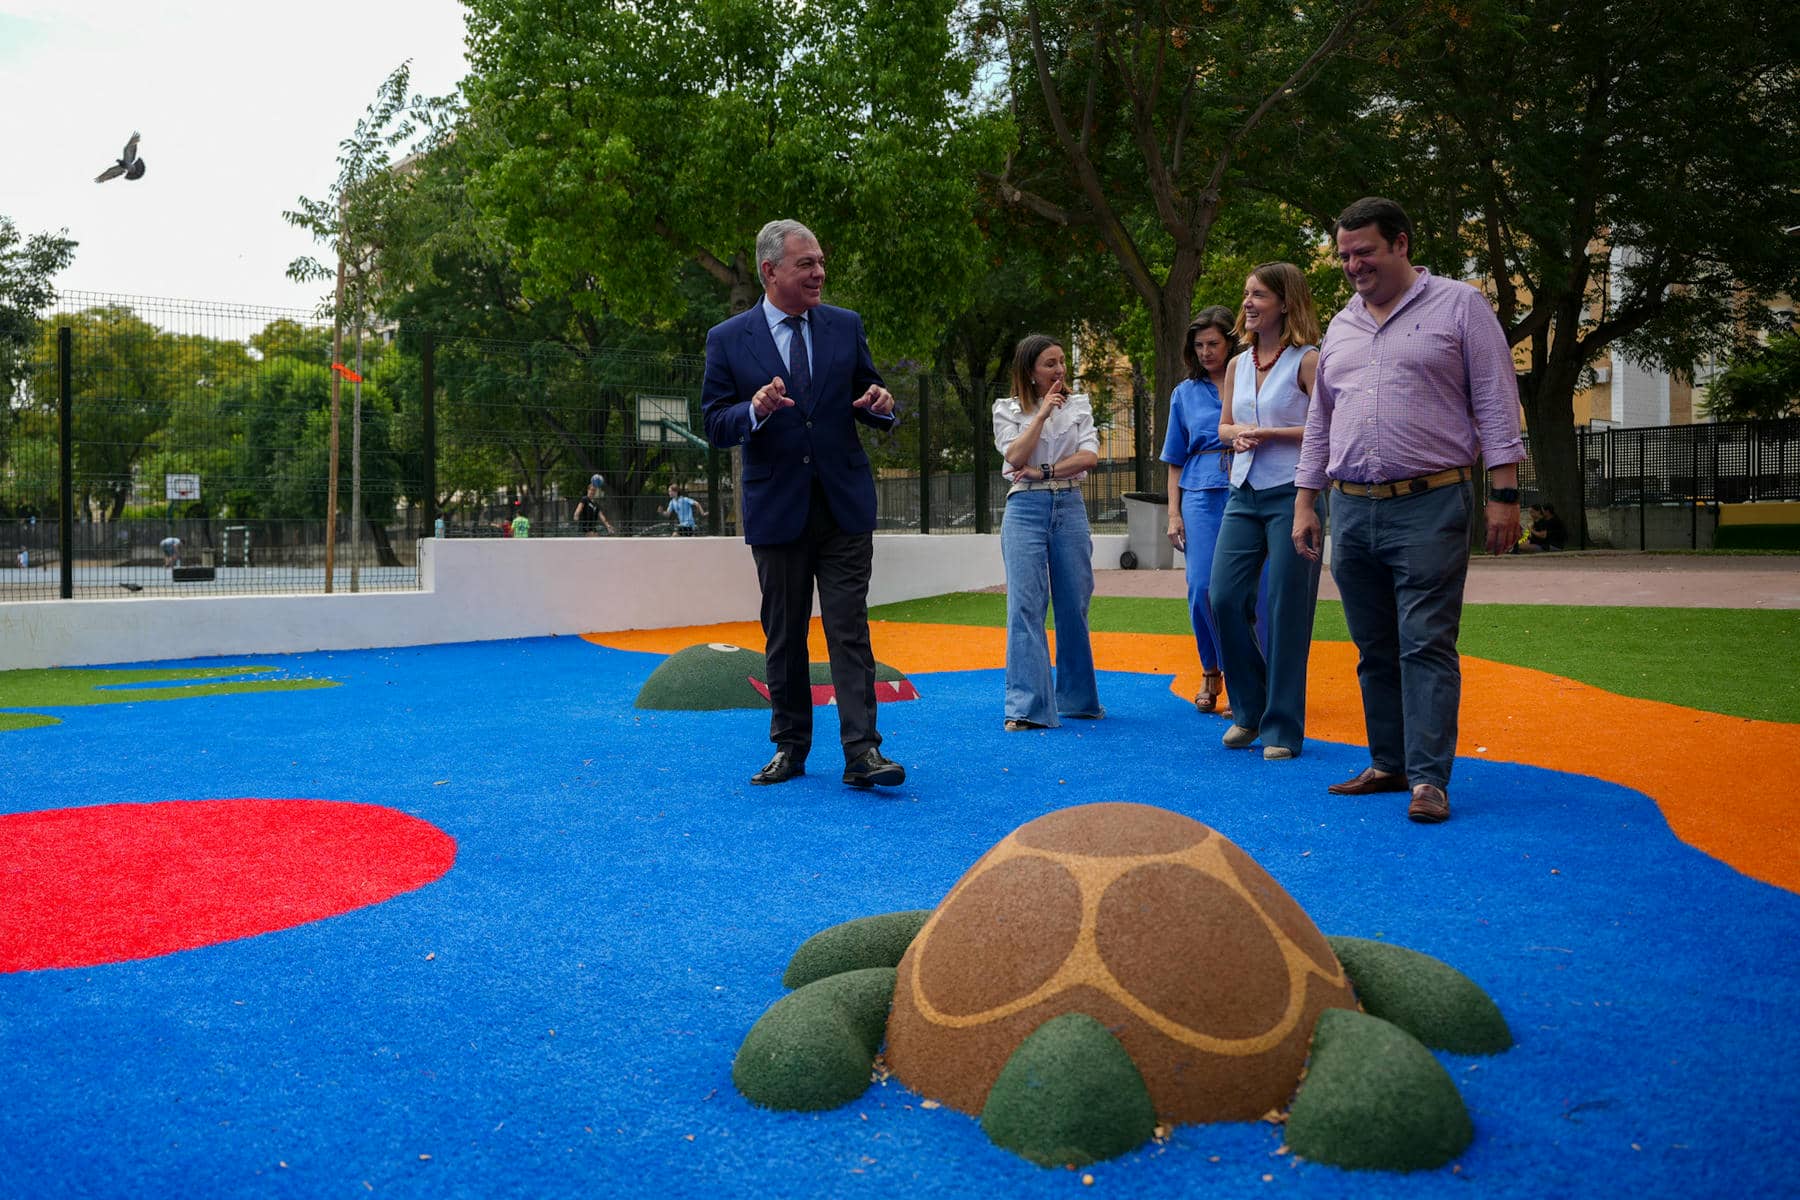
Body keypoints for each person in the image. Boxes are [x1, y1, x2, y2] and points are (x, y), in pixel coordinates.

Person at [1293, 196, 1525, 824]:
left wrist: (1504, 495)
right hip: (1352, 505)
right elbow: (1322, 421)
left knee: (1424, 640)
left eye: (1363, 251)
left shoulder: (1460, 306)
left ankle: (1428, 779)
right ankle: (1389, 762)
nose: (1352, 265)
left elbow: (1497, 402)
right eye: (1344, 255)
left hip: (1431, 502)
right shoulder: (1341, 325)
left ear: (1401, 243)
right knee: (1373, 646)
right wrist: (1305, 500)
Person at [701, 218, 905, 789]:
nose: (819, 273)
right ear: (770, 272)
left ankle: (863, 753)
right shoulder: (727, 339)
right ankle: (789, 748)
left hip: (843, 504)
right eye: (806, 264)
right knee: (785, 634)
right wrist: (755, 410)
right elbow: (716, 422)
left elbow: (869, 395)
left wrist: (880, 403)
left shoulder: (845, 325)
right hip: (777, 509)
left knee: (849, 630)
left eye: (820, 262)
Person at [1212, 263, 1324, 761]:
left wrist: (1273, 435)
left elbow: (1328, 429)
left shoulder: (1307, 361)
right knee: (1222, 598)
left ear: (1285, 302)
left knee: (1284, 609)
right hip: (1243, 492)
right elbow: (1224, 429)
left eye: (1258, 294)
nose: (1248, 303)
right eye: (1246, 295)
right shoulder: (1237, 364)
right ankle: (1250, 709)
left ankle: (1281, 727)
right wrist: (1238, 435)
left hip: (1292, 494)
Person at [993, 334, 1103, 732]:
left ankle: (1078, 700)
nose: (1059, 370)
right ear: (1030, 372)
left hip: (1069, 505)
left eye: (1061, 362)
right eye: (1049, 364)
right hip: (1024, 508)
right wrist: (1039, 416)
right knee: (1025, 605)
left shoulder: (1079, 405)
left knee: (1074, 604)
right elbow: (1015, 456)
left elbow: (1090, 456)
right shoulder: (1006, 410)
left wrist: (1048, 471)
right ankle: (1027, 707)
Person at [1161, 305, 1248, 718]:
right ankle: (1211, 670)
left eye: (1213, 343)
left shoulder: (1250, 378)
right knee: (1201, 587)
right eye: (1198, 345)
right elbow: (1174, 458)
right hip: (1198, 491)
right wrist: (1173, 513)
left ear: (1230, 341)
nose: (1206, 352)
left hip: (1248, 482)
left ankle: (1246, 679)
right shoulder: (1184, 393)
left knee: (1248, 590)